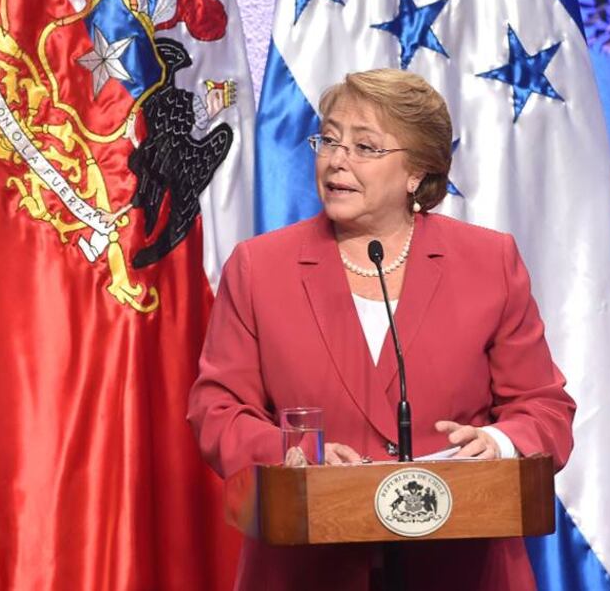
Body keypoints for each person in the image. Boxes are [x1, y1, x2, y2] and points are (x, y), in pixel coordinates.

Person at [187, 69, 576, 590]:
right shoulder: (260, 267)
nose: (336, 159)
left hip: (461, 566)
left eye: (365, 146)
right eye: (328, 139)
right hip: (310, 568)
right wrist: (291, 453)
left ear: (416, 171)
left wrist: (501, 442)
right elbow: (217, 411)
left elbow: (545, 407)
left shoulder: (488, 261)